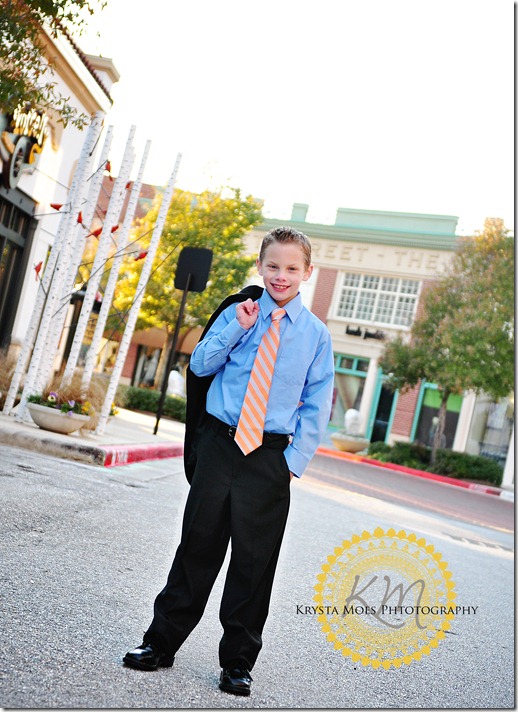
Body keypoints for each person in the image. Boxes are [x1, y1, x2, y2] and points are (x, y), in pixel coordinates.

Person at [123, 226, 335, 696]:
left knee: (253, 566)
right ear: (260, 266)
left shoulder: (316, 336)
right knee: (196, 548)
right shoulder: (239, 312)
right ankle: (159, 643)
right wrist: (236, 328)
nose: (281, 275)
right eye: (273, 265)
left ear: (307, 272)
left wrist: (292, 462)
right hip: (220, 446)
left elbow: (318, 404)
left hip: (269, 457)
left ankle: (238, 662)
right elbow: (200, 366)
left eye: (292, 268)